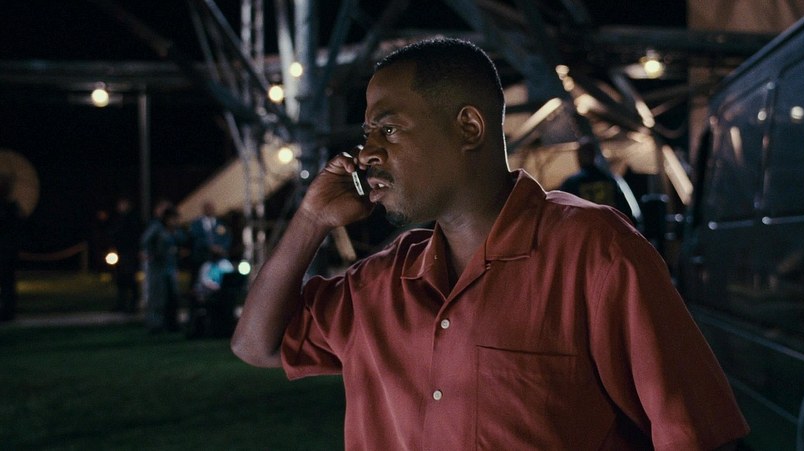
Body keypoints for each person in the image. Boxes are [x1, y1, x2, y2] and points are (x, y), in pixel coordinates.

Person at [231, 38, 749, 450]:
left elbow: (700, 436)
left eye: (387, 129)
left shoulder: (596, 255)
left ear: (469, 127)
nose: (366, 152)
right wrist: (311, 219)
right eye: (367, 133)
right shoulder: (379, 284)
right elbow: (256, 344)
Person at [559, 136, 634, 221]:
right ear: (594, 155)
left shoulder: (571, 183)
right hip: (609, 225)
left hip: (586, 227)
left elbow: (563, 213)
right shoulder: (609, 179)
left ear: (579, 156)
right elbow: (624, 209)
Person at [141, 206, 182, 333]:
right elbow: (145, 241)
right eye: (173, 219)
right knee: (158, 297)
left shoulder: (174, 231)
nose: (175, 221)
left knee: (172, 297)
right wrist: (151, 254)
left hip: (170, 267)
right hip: (158, 268)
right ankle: (155, 325)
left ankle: (171, 324)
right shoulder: (157, 228)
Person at [108, 197, 143, 314]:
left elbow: (134, 235)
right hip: (122, 252)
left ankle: (133, 304)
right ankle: (122, 303)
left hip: (129, 253)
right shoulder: (119, 218)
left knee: (130, 279)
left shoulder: (132, 219)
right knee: (121, 279)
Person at [187, 201, 231, 289]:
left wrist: (221, 248)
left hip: (218, 258)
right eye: (208, 208)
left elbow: (227, 237)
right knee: (200, 282)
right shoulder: (196, 224)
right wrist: (208, 247)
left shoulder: (220, 224)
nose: (210, 210)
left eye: (211, 208)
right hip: (202, 258)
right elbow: (194, 238)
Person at [0, 173, 22, 322]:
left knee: (8, 283)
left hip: (7, 251)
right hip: (8, 250)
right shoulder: (12, 207)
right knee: (8, 283)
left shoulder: (11, 207)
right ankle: (8, 310)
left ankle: (8, 311)